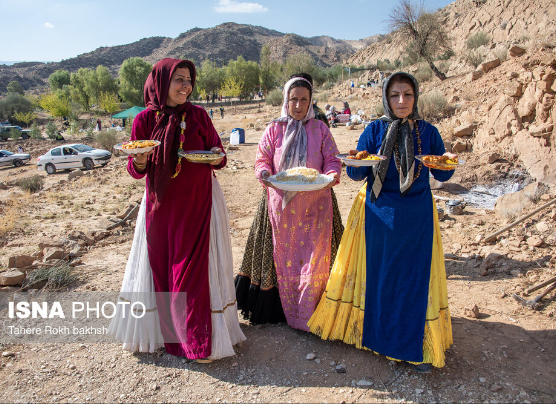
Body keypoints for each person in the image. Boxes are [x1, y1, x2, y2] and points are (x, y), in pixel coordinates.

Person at [308, 72, 456, 373]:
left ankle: (415, 348)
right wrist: (358, 163)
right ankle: (382, 340)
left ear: (416, 97)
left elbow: (441, 175)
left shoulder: (428, 132)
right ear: (386, 98)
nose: (401, 101)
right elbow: (356, 174)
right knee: (383, 277)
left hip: (416, 217)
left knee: (413, 278)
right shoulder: (374, 129)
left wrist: (447, 161)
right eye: (394, 95)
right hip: (379, 214)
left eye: (408, 94)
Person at [116, 58, 245, 362]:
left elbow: (219, 154)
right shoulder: (145, 120)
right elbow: (136, 170)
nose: (186, 86)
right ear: (162, 82)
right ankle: (165, 334)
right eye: (179, 79)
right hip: (160, 209)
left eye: (189, 80)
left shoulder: (199, 115)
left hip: (200, 204)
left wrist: (214, 157)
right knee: (162, 268)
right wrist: (140, 160)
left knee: (192, 273)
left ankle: (197, 341)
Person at [238, 75, 342, 332]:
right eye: (293, 99)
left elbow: (332, 158)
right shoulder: (274, 129)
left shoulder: (320, 129)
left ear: (311, 102)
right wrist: (263, 174)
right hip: (280, 206)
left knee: (315, 257)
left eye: (303, 100)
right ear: (286, 100)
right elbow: (262, 158)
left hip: (316, 204)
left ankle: (310, 313)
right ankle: (283, 311)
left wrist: (331, 174)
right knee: (284, 256)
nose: (297, 105)